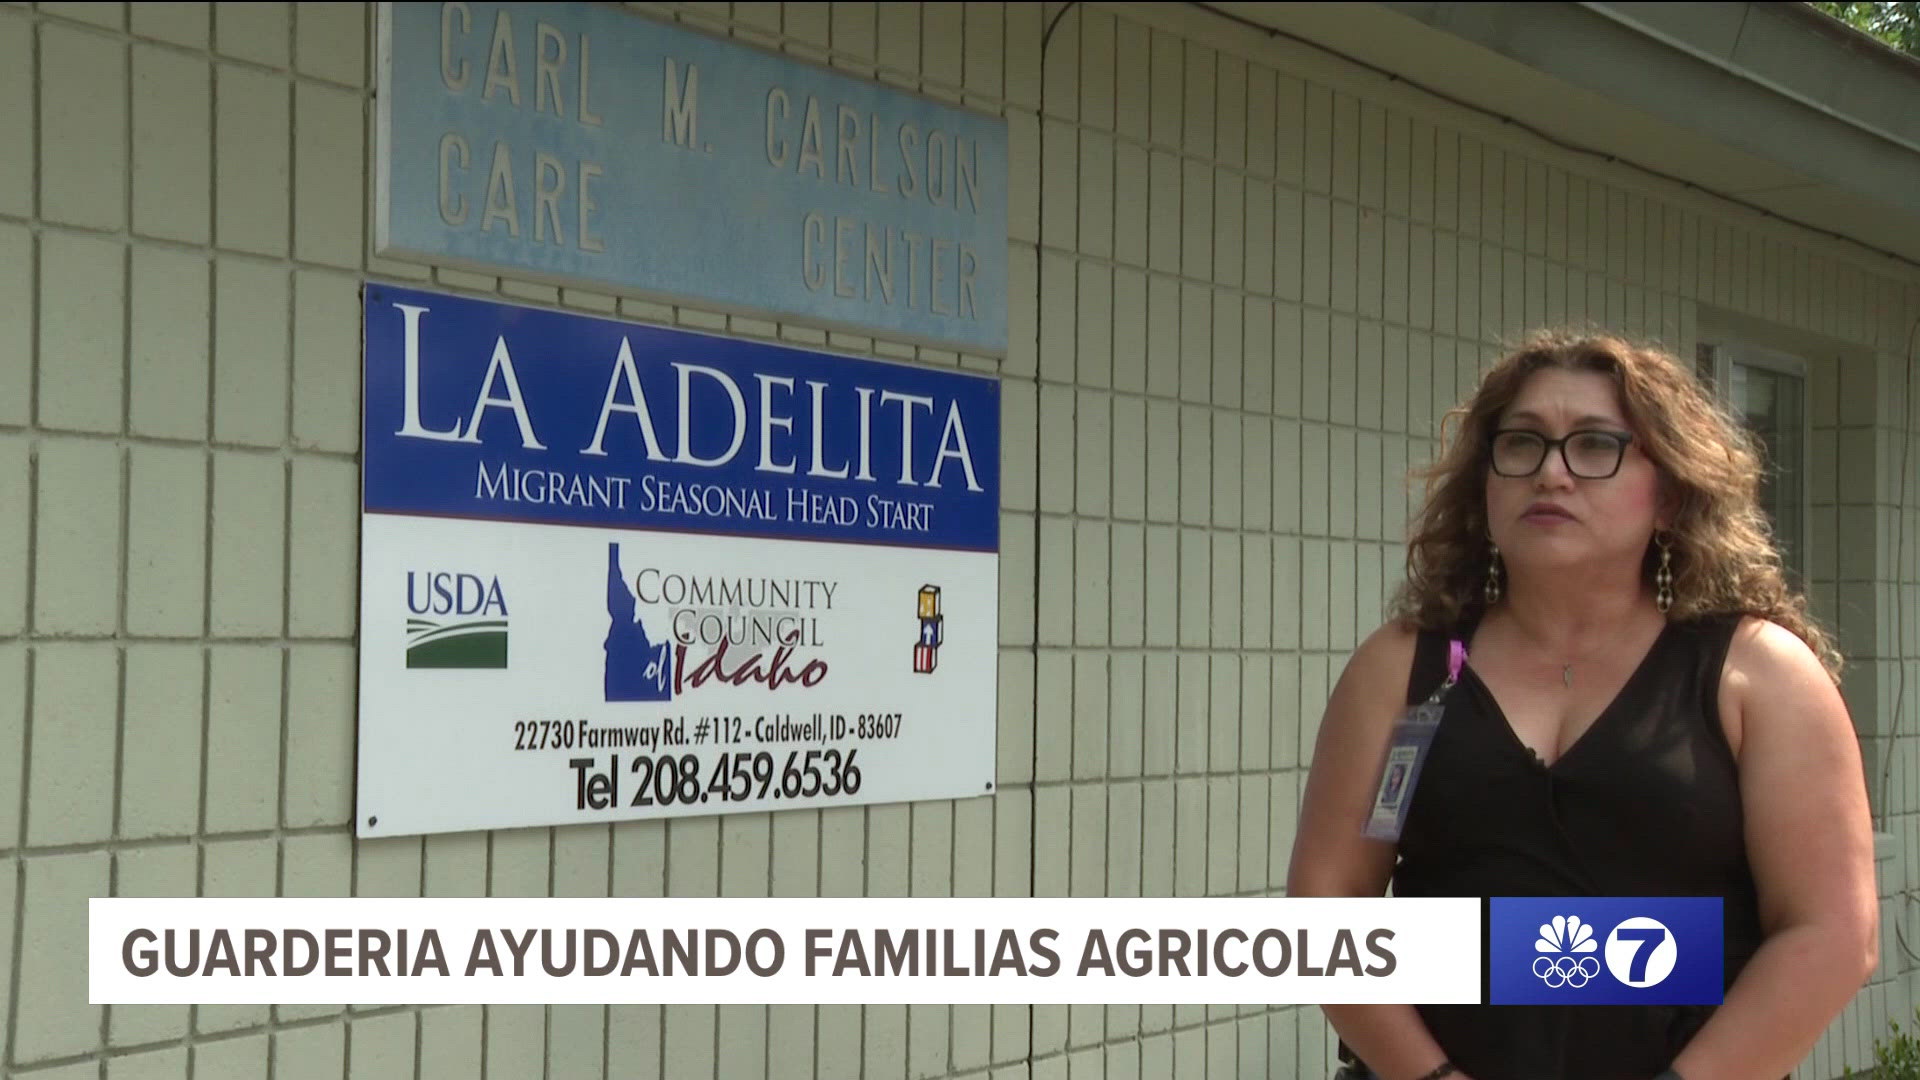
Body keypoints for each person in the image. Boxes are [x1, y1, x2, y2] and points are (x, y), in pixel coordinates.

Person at [1287, 333, 1878, 1080]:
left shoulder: (1757, 675)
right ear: (1486, 486)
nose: (1551, 473)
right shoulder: (1402, 669)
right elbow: (1328, 905)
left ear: (1669, 494)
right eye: (1523, 444)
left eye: (1595, 446)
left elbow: (1831, 934)